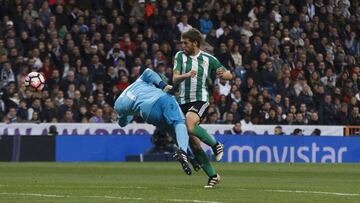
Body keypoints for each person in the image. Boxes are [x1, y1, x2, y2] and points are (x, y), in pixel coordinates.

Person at [173, 28, 233, 188]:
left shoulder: (208, 59)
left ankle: (215, 145)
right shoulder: (179, 56)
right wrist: (186, 75)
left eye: (186, 43)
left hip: (201, 100)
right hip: (183, 102)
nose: (183, 46)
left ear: (195, 43)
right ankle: (213, 176)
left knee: (189, 124)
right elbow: (175, 78)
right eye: (182, 43)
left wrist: (225, 75)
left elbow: (227, 74)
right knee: (194, 144)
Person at [114, 68, 192, 175]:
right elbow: (149, 72)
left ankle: (188, 156)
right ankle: (185, 152)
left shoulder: (119, 104)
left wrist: (129, 114)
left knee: (170, 128)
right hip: (160, 99)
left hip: (147, 113)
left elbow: (122, 123)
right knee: (178, 123)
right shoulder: (145, 84)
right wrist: (163, 85)